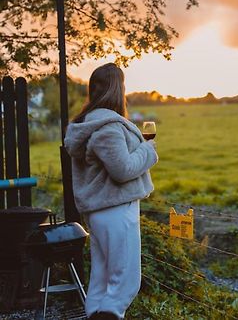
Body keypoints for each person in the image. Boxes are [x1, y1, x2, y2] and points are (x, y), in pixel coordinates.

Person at [64, 63, 158, 320]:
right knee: (125, 284)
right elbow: (123, 169)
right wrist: (148, 150)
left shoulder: (89, 124)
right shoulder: (108, 127)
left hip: (100, 212)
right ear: (118, 89)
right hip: (116, 209)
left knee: (102, 280)